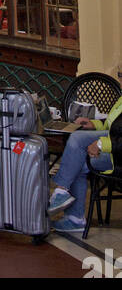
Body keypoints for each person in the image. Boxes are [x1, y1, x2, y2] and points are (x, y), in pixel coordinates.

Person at [48, 94, 122, 233]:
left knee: (78, 161)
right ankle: (61, 191)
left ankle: (75, 219)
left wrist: (101, 144)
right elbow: (116, 125)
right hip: (114, 146)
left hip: (117, 157)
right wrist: (94, 124)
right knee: (76, 139)